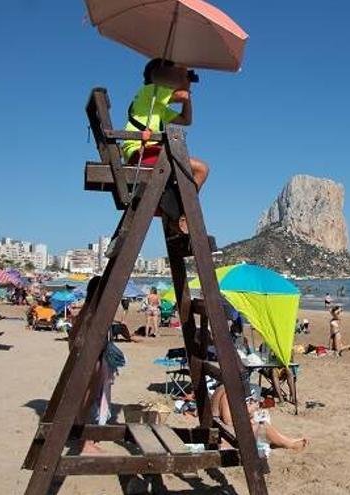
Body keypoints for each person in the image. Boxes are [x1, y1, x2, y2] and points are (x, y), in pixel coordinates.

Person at [121, 58, 209, 234]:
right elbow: (182, 96)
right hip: (144, 153)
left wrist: (186, 86)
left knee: (197, 170)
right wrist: (184, 76)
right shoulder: (151, 91)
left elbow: (186, 120)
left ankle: (179, 215)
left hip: (147, 152)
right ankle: (182, 215)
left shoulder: (157, 104)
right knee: (200, 169)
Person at [77, 276, 127, 455]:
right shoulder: (95, 315)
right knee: (86, 403)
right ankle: (85, 443)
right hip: (91, 363)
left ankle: (85, 439)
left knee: (86, 402)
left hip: (89, 361)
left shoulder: (87, 310)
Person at [210, 384, 307, 452]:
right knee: (263, 426)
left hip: (221, 431)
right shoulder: (228, 392)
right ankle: (289, 444)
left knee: (259, 421)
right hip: (226, 437)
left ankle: (285, 441)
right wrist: (248, 411)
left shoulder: (223, 388)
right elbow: (228, 421)